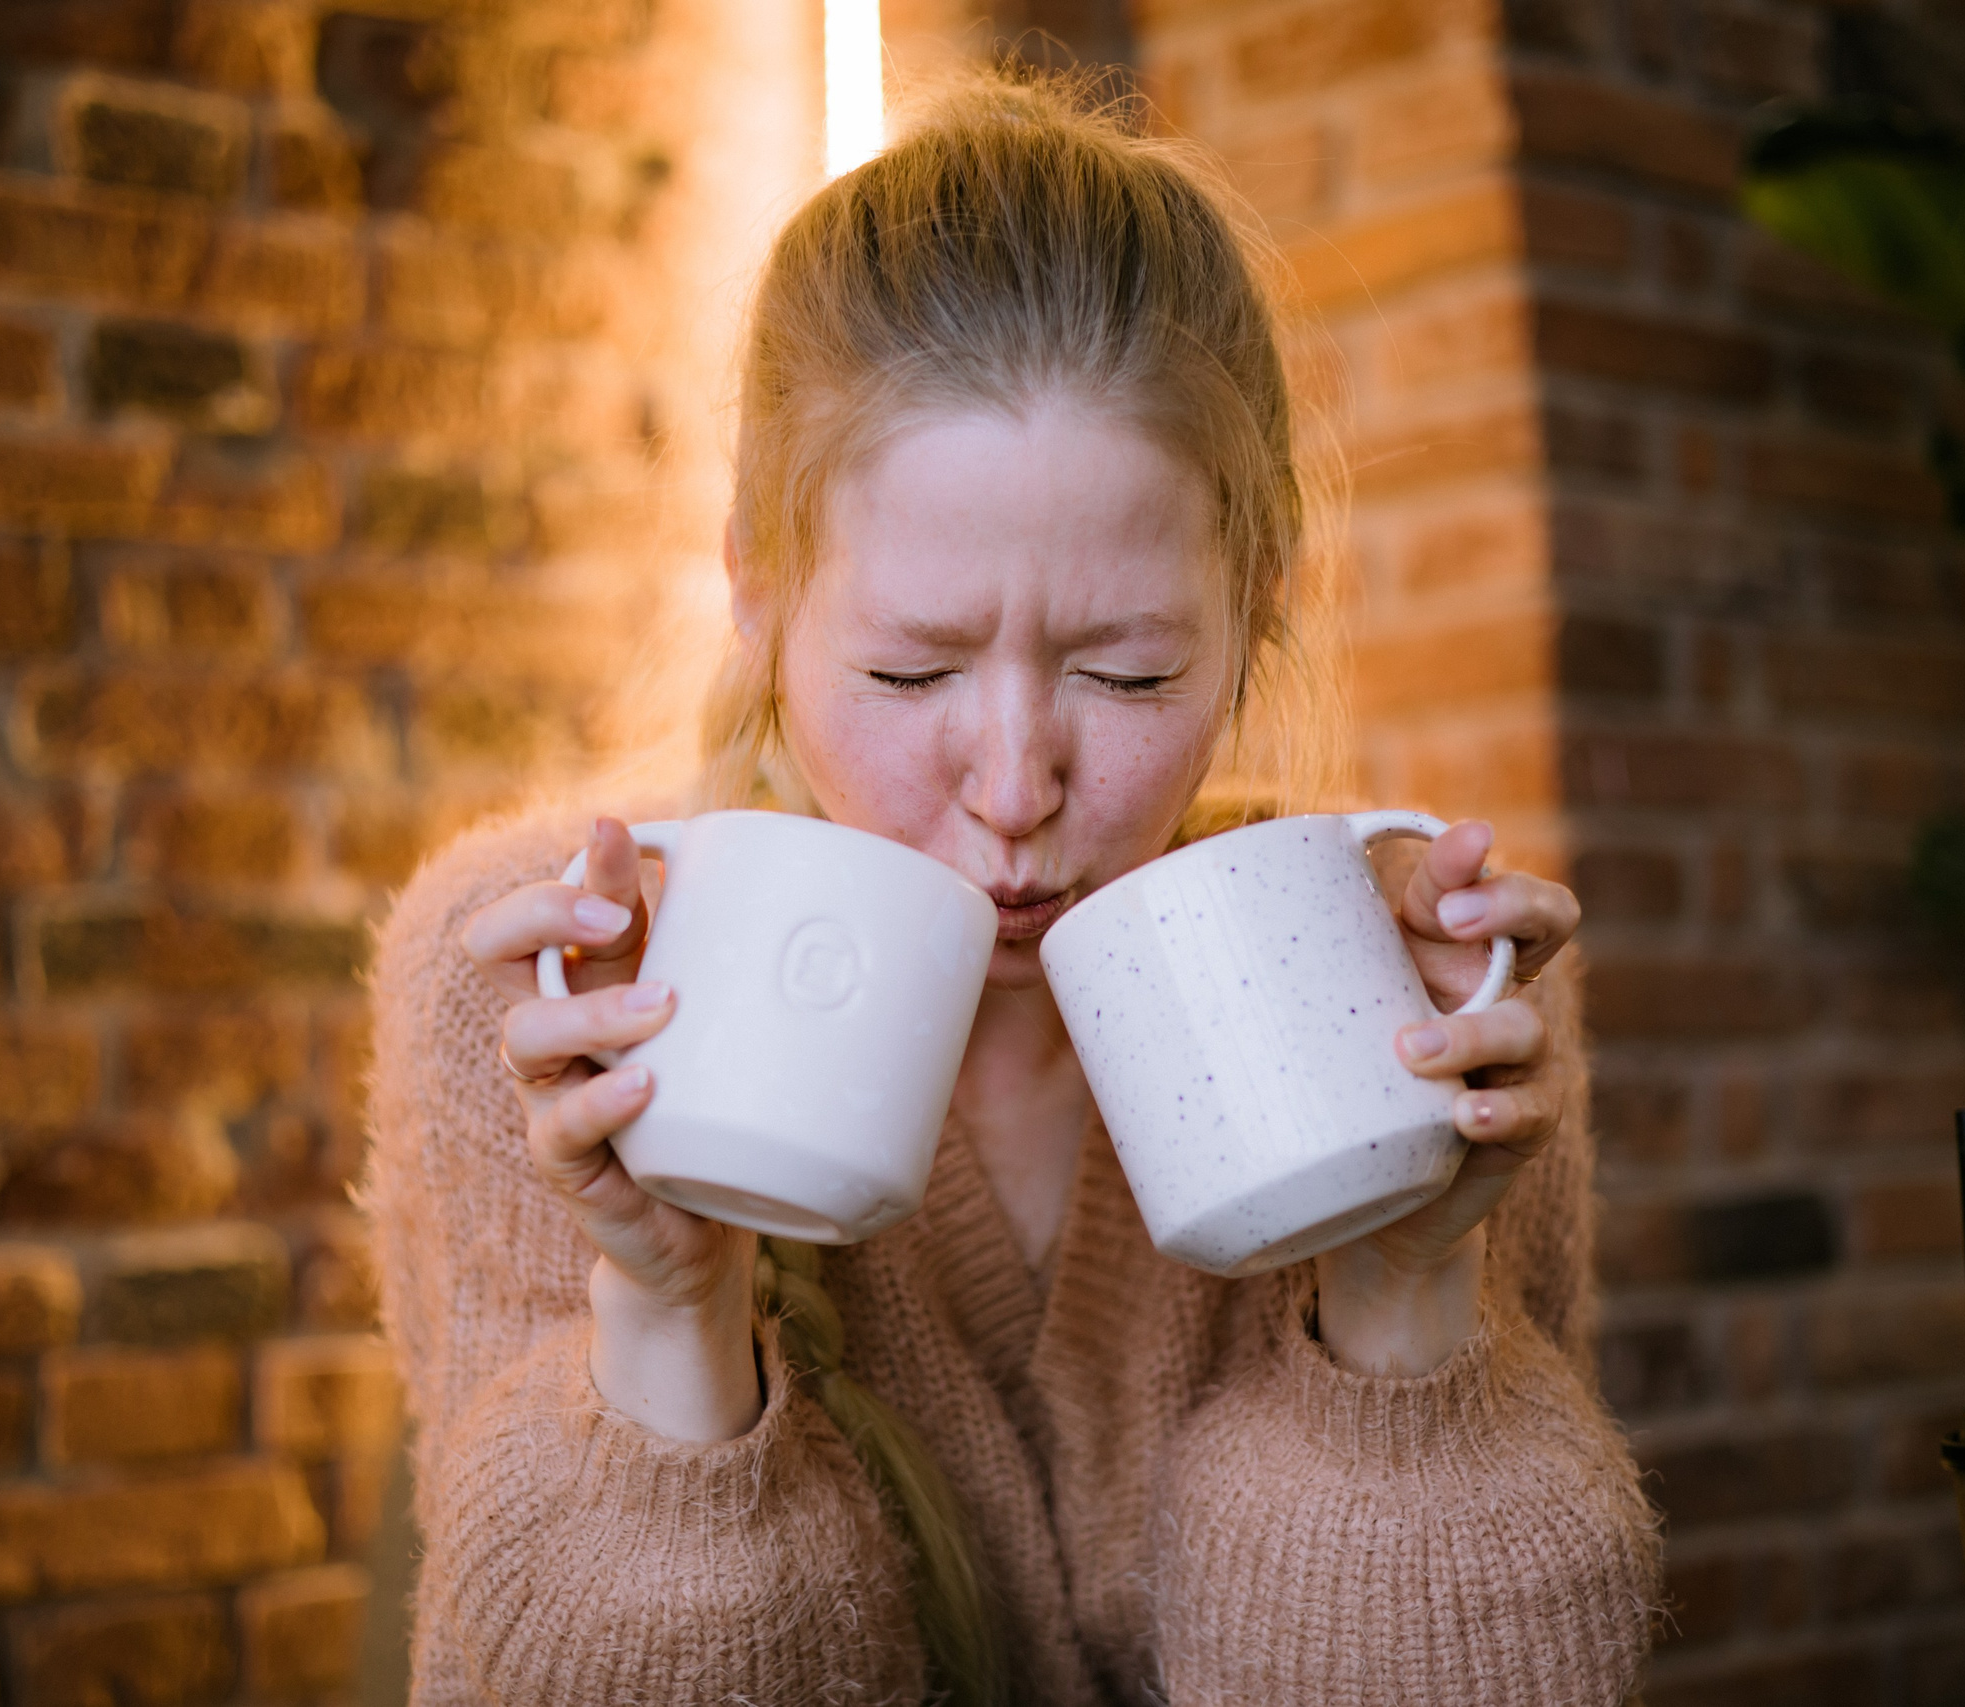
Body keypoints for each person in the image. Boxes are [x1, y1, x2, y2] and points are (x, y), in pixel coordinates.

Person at [364, 78, 1661, 1707]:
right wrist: (670, 1314)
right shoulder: (548, 985)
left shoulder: (1409, 979)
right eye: (911, 672)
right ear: (758, 594)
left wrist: (1400, 1289)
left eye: (1126, 675)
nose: (1013, 789)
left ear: (1257, 612)